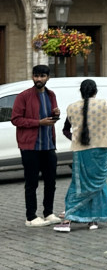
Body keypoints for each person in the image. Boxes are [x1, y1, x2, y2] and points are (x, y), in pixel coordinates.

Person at [55, 80, 107, 233]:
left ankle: (68, 220)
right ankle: (93, 220)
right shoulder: (106, 104)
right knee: (98, 184)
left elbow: (67, 128)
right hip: (102, 149)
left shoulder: (72, 107)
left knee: (78, 184)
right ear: (95, 91)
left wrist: (75, 138)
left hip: (82, 150)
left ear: (81, 92)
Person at [12, 64, 61, 226]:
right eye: (36, 76)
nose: (38, 79)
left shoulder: (51, 95)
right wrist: (38, 122)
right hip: (30, 147)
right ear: (32, 77)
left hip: (48, 145)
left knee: (51, 182)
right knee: (31, 183)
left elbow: (50, 116)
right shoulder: (23, 96)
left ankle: (49, 213)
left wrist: (55, 114)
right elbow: (16, 119)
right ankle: (31, 217)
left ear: (48, 77)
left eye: (42, 76)